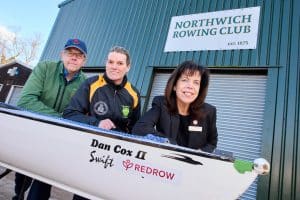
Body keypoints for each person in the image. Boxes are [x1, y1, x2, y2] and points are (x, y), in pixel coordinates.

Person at [13, 38, 87, 200]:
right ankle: (18, 195)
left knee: (44, 181)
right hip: (32, 131)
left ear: (84, 60)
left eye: (79, 55)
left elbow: (82, 114)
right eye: (70, 53)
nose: (74, 57)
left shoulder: (85, 84)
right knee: (22, 178)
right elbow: (26, 101)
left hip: (57, 140)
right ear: (62, 54)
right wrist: (61, 119)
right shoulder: (45, 68)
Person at [62, 46, 141, 200]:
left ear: (128, 67)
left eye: (119, 63)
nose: (114, 67)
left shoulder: (134, 93)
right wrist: (96, 123)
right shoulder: (91, 84)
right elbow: (69, 114)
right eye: (111, 62)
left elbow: (135, 129)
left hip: (117, 159)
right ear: (106, 63)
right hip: (90, 154)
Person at [132, 60, 218, 153]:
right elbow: (140, 129)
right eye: (185, 80)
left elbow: (212, 142)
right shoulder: (161, 103)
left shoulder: (209, 111)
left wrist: (199, 153)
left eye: (196, 82)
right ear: (174, 86)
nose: (190, 86)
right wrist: (169, 143)